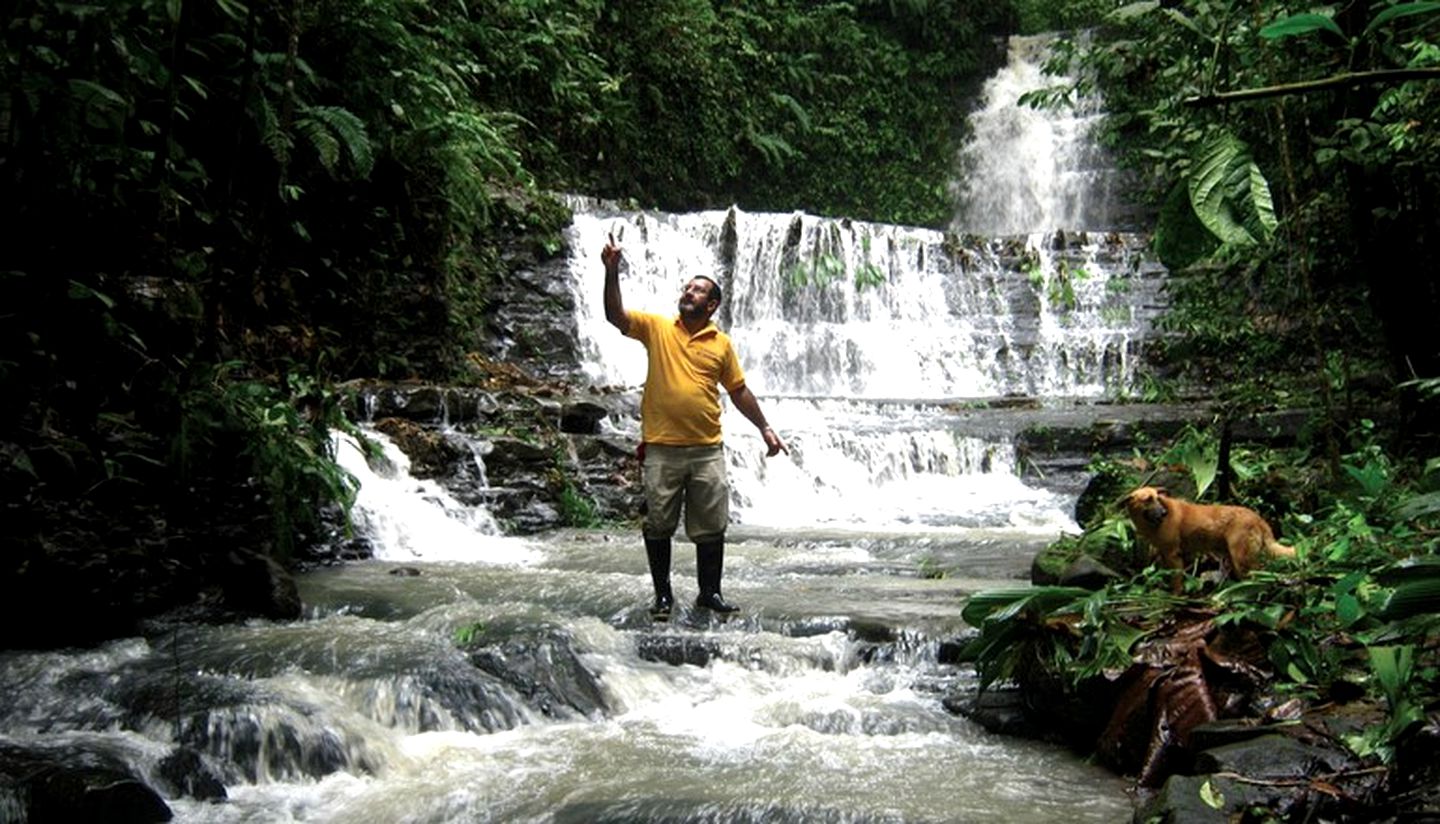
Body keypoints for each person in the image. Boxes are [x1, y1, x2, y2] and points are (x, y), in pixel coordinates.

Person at [602, 233, 787, 619]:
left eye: (698, 290)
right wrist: (611, 272)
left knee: (710, 526)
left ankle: (710, 593)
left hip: (707, 449)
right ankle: (663, 596)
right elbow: (615, 317)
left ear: (712, 304)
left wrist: (765, 428)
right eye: (686, 287)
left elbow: (738, 391)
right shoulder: (656, 327)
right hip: (662, 448)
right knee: (657, 524)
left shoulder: (721, 344)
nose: (688, 292)